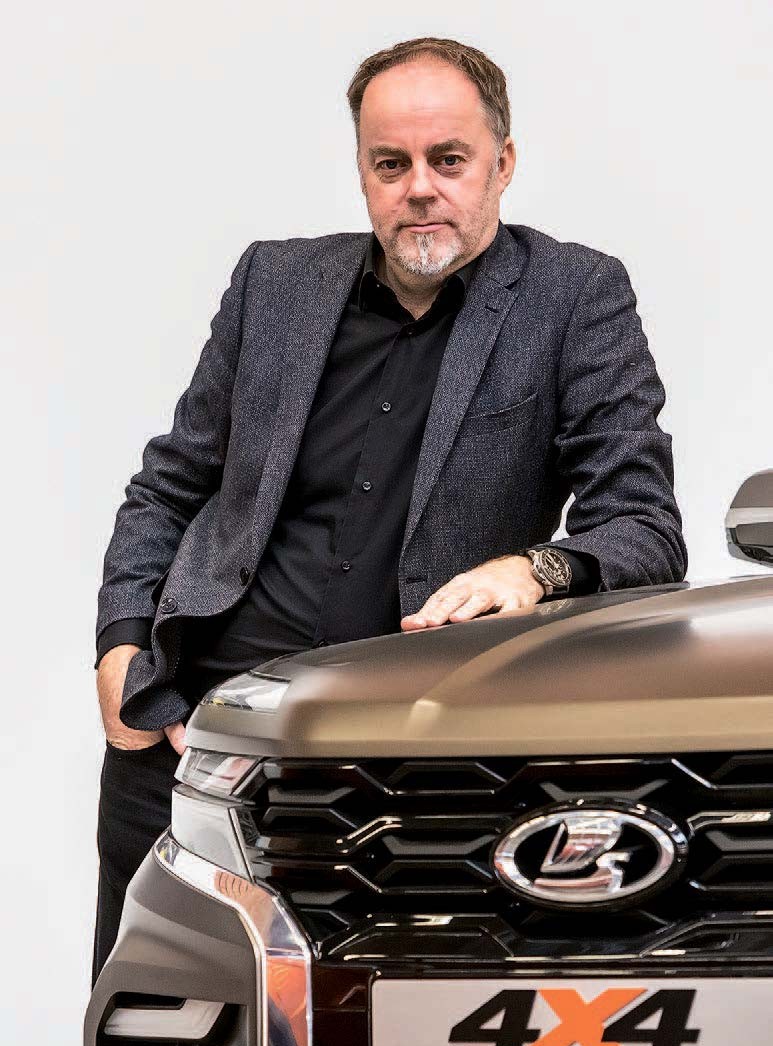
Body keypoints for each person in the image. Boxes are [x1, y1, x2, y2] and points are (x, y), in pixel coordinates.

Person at [91, 35, 687, 985]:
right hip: (193, 736)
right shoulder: (273, 283)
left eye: (448, 160)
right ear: (362, 170)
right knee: (166, 1026)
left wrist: (531, 569)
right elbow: (170, 483)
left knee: (382, 1033)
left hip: (408, 766)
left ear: (502, 163)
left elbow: (643, 524)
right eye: (390, 163)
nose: (419, 188)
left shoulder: (573, 296)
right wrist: (122, 647)